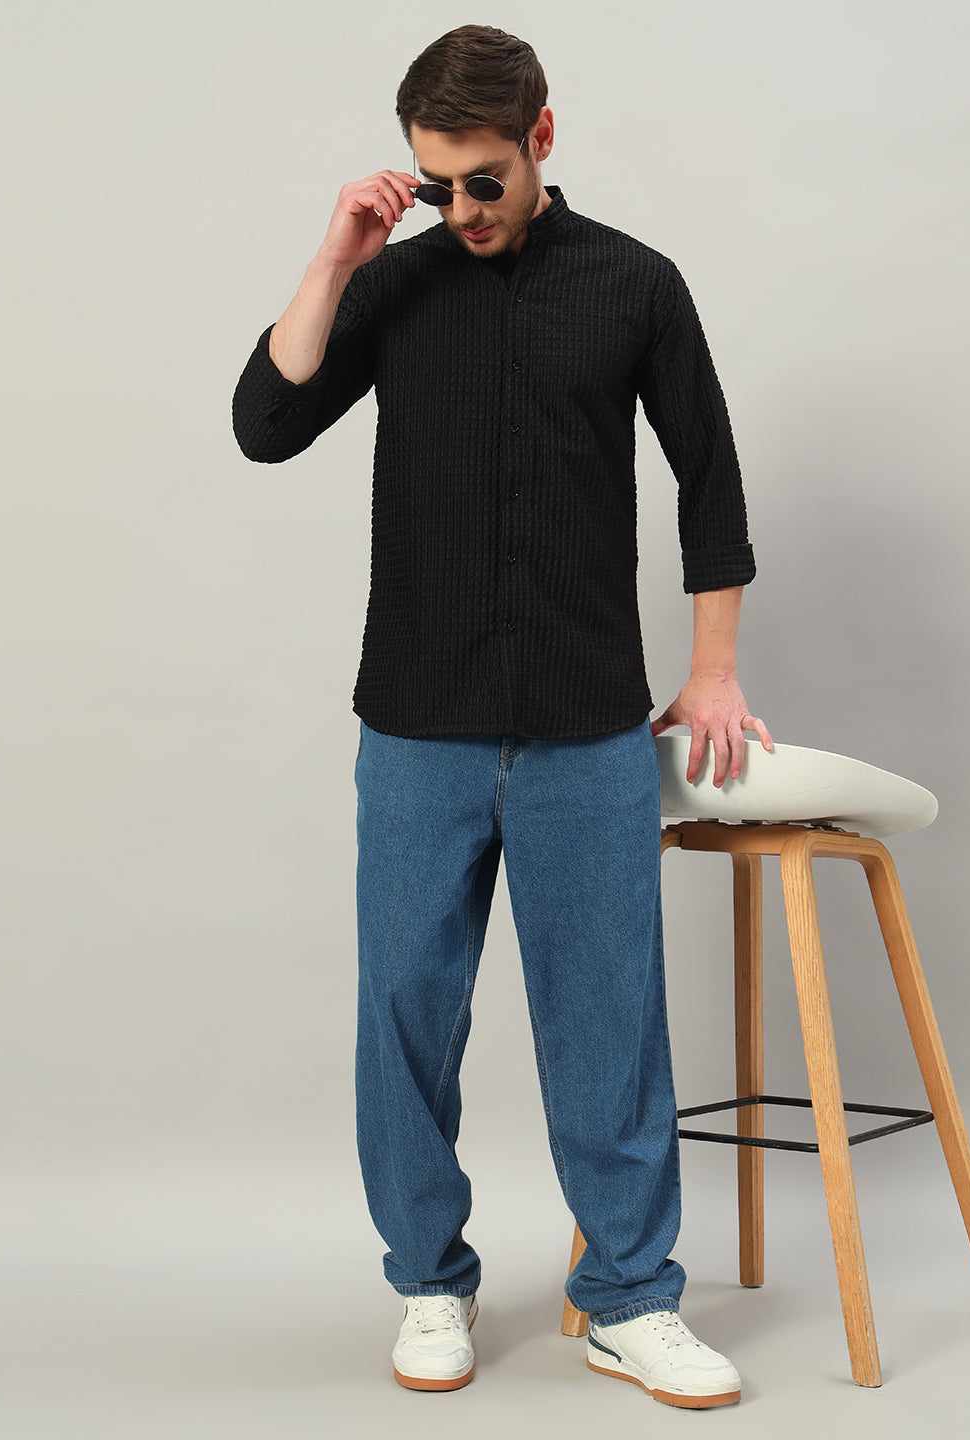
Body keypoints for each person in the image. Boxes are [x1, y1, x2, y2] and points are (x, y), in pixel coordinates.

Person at [233, 23, 772, 1409]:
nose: (463, 208)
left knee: (609, 1022)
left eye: (484, 180)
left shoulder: (635, 283)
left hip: (587, 726)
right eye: (437, 184)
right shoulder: (396, 283)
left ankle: (631, 1300)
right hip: (418, 721)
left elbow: (709, 481)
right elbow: (265, 424)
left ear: (540, 140)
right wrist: (339, 256)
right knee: (405, 1013)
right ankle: (430, 1280)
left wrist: (714, 670)